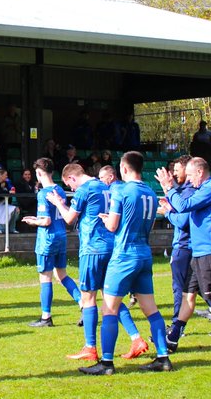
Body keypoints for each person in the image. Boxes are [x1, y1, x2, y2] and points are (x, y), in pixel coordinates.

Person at [78, 152, 173, 375]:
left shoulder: (122, 191)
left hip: (124, 255)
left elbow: (112, 226)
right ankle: (163, 358)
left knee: (109, 308)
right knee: (151, 309)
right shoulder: (149, 191)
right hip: (144, 253)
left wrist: (104, 219)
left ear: (124, 168)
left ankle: (107, 363)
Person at [47, 162, 147, 361]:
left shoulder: (84, 190)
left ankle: (90, 347)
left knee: (88, 298)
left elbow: (68, 218)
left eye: (70, 185)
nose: (71, 189)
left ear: (72, 178)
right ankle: (136, 338)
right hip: (110, 246)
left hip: (93, 248)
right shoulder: (104, 186)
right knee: (111, 297)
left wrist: (58, 202)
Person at [156, 158, 211, 356]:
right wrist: (171, 204)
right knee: (188, 297)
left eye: (189, 175)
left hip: (209, 251)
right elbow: (182, 208)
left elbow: (185, 205)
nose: (188, 179)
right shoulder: (204, 189)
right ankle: (172, 339)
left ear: (199, 172)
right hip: (198, 251)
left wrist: (169, 187)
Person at [20, 158, 81, 328]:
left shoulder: (42, 193)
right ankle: (83, 304)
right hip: (61, 235)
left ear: (39, 174)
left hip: (47, 239)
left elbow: (46, 221)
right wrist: (38, 218)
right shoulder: (60, 190)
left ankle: (46, 317)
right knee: (61, 274)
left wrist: (33, 221)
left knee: (45, 277)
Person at [162, 156, 211, 321]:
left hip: (184, 246)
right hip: (189, 246)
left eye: (177, 169)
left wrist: (167, 213)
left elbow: (183, 221)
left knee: (182, 288)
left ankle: (177, 322)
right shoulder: (185, 191)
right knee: (196, 288)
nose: (175, 173)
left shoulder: (190, 191)